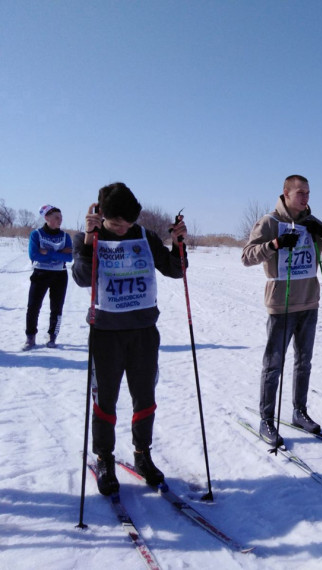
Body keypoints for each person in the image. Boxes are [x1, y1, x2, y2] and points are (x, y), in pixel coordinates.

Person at [72, 182, 187, 495]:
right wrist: (87, 241)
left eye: (129, 222)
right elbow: (82, 279)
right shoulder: (92, 238)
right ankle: (105, 458)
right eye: (117, 223)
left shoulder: (145, 236)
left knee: (145, 397)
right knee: (105, 399)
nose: (124, 228)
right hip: (106, 333)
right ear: (102, 215)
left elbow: (176, 271)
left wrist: (179, 245)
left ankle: (142, 454)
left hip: (143, 331)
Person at [241, 175, 322, 446]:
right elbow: (246, 257)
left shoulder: (311, 223)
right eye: (300, 193)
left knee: (304, 362)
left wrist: (321, 231)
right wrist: (274, 245)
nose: (305, 198)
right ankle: (267, 419)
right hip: (281, 303)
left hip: (309, 302)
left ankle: (299, 411)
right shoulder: (270, 222)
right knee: (274, 363)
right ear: (286, 193)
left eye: (308, 193)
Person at [23, 205, 73, 350]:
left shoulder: (65, 236)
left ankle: (52, 336)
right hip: (40, 274)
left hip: (60, 275)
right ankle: (30, 337)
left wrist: (48, 252)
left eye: (61, 217)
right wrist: (58, 253)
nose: (60, 220)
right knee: (33, 306)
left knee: (57, 307)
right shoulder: (36, 234)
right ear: (47, 218)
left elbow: (69, 258)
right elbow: (34, 255)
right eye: (56, 217)